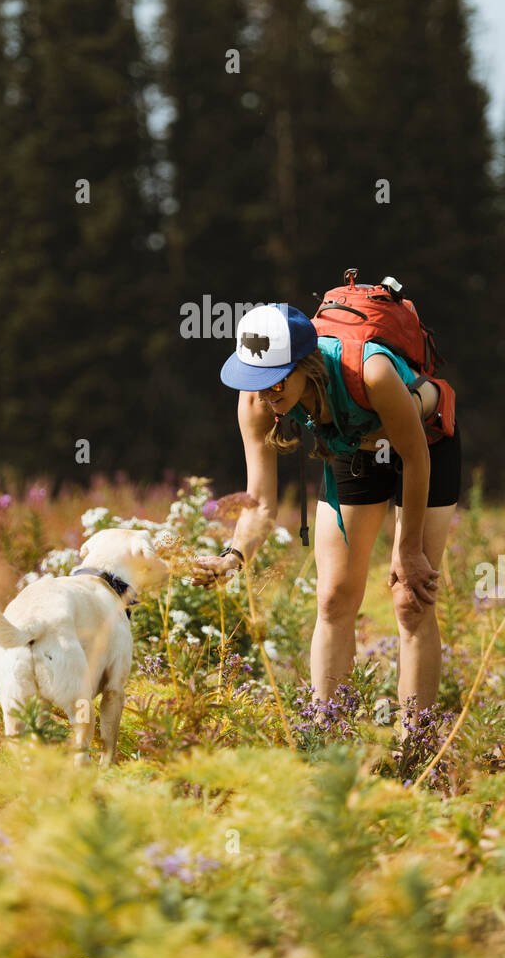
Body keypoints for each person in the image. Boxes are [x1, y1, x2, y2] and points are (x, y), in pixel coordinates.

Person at [190, 302, 461, 713]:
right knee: (333, 598)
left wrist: (407, 551)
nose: (267, 392)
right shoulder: (256, 401)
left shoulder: (372, 374)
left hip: (424, 447)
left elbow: (415, 457)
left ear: (308, 365)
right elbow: (260, 502)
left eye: (278, 382)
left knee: (411, 599)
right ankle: (331, 736)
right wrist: (234, 558)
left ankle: (415, 747)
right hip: (354, 451)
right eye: (256, 380)